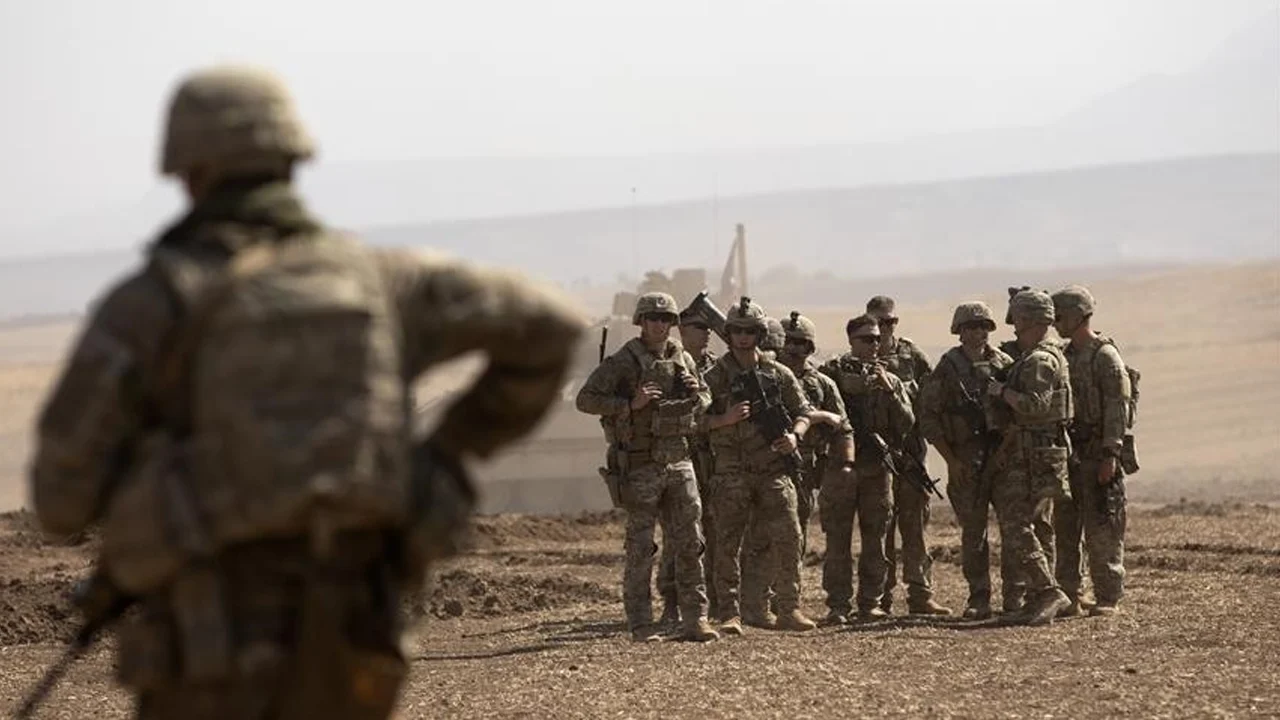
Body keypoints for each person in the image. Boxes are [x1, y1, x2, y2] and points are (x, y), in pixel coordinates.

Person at [27, 64, 586, 719]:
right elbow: (552, 322)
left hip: (205, 653)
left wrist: (160, 486)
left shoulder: (150, 306)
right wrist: (447, 452)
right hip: (354, 643)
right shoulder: (383, 282)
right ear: (292, 159)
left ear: (189, 171)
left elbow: (60, 501)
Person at [575, 292, 719, 642]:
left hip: (679, 460)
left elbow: (705, 398)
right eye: (653, 318)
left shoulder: (683, 357)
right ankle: (641, 623)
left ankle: (695, 619)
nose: (659, 325)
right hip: (641, 465)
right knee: (641, 548)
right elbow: (585, 400)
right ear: (641, 322)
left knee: (690, 543)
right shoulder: (623, 361)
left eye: (666, 319)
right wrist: (630, 403)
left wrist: (695, 394)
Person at [702, 298, 818, 634]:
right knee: (727, 543)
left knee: (789, 538)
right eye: (737, 331)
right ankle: (729, 612)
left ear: (760, 334)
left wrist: (795, 436)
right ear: (728, 334)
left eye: (750, 331)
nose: (743, 337)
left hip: (772, 468)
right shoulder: (714, 376)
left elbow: (804, 412)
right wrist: (723, 419)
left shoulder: (777, 373)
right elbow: (693, 420)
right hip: (731, 471)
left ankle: (788, 609)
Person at [739, 312, 854, 626]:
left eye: (801, 343)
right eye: (788, 342)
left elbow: (843, 426)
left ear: (811, 347)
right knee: (755, 537)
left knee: (792, 536)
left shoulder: (822, 383)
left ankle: (786, 603)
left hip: (802, 468)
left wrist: (845, 465)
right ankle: (754, 603)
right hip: (758, 464)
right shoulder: (762, 376)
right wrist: (820, 416)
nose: (793, 348)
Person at [918, 302, 1015, 618]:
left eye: (984, 326)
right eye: (971, 327)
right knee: (974, 533)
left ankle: (1015, 596)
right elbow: (929, 418)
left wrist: (1005, 451)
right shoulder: (947, 368)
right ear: (959, 331)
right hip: (965, 458)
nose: (978, 332)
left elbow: (1018, 413)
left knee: (1014, 529)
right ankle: (979, 597)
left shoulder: (1005, 364)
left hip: (1001, 456)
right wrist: (951, 460)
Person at [985, 290, 1074, 625]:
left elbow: (1035, 405)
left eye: (1018, 319)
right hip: (1038, 451)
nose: (1015, 326)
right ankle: (1040, 598)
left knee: (1016, 522)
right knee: (1038, 525)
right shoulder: (1043, 355)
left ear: (1028, 319)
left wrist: (1002, 392)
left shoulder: (1039, 360)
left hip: (1033, 453)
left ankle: (1047, 591)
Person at [818, 314, 913, 622]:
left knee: (876, 539)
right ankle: (838, 605)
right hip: (840, 467)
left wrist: (889, 391)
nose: (874, 344)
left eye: (877, 338)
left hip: (877, 469)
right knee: (838, 540)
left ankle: (871, 601)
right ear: (851, 340)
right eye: (866, 339)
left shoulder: (890, 380)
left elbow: (907, 424)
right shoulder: (831, 375)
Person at [865, 296, 949, 615]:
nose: (885, 328)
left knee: (915, 526)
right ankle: (879, 597)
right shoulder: (860, 357)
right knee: (880, 528)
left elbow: (932, 398)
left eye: (890, 322)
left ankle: (920, 594)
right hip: (876, 457)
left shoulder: (912, 356)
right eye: (878, 322)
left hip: (910, 453)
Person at [1051, 285, 1132, 617]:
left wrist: (1110, 454)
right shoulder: (1064, 355)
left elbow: (1117, 408)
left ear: (1076, 316)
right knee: (1066, 527)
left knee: (1102, 527)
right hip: (1070, 453)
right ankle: (1070, 593)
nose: (1056, 323)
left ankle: (1108, 597)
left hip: (1098, 452)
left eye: (1059, 317)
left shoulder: (1105, 356)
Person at [656, 307, 720, 623]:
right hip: (679, 455)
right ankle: (671, 599)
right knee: (677, 532)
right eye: (698, 326)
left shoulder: (717, 367)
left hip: (714, 459)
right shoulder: (668, 365)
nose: (706, 332)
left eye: (708, 328)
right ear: (682, 330)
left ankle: (712, 599)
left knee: (715, 530)